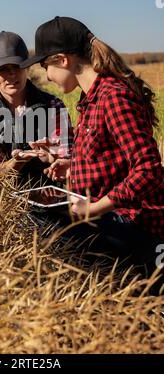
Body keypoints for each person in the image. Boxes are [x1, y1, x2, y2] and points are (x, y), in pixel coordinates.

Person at [26, 16, 164, 292]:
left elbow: (149, 169)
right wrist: (68, 165)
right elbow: (112, 158)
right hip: (119, 218)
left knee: (36, 220)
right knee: (37, 209)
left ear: (63, 60)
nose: (48, 77)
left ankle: (132, 279)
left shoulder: (113, 97)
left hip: (137, 224)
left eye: (45, 66)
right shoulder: (91, 98)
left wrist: (93, 209)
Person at [0, 30, 73, 188]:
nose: (11, 75)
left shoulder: (54, 106)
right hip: (4, 206)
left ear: (27, 66)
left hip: (49, 199)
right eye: (2, 69)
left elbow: (67, 160)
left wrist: (54, 158)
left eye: (17, 66)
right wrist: (16, 162)